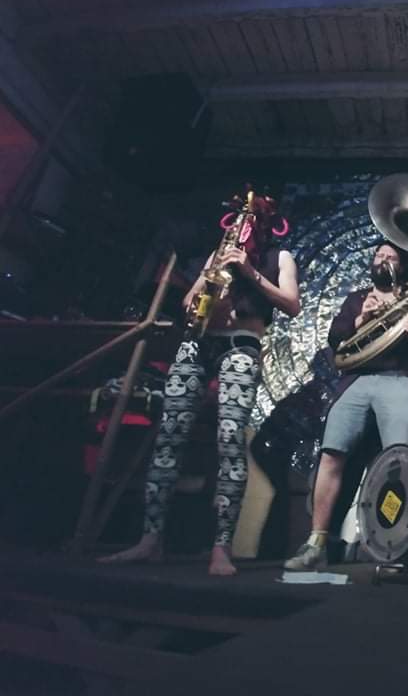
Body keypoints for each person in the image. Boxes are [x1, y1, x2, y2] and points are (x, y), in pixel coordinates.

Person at [101, 191, 301, 576]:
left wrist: (249, 272)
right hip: (198, 341)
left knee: (229, 440)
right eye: (239, 219)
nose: (244, 225)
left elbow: (292, 304)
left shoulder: (281, 257)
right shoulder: (217, 253)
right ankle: (150, 540)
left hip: (241, 343)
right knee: (168, 436)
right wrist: (206, 290)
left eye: (251, 219)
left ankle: (221, 548)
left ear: (267, 223)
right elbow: (188, 303)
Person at [284, 241, 408, 570]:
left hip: (398, 378)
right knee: (331, 455)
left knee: (398, 461)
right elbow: (336, 340)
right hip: (357, 380)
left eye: (391, 257)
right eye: (379, 255)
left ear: (402, 266)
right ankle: (316, 542)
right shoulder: (357, 299)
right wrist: (361, 319)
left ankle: (396, 545)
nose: (383, 260)